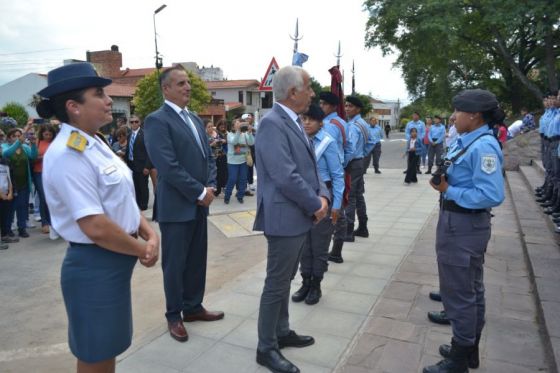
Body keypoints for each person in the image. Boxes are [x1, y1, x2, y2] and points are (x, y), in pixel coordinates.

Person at [37, 62, 159, 373]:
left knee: (109, 346)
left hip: (112, 262)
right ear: (73, 107)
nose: (108, 101)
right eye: (99, 94)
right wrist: (141, 248)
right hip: (95, 266)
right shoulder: (67, 153)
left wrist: (148, 231)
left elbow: (120, 200)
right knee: (96, 354)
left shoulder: (94, 141)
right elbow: (94, 225)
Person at [253, 66, 329, 373]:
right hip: (285, 217)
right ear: (292, 92)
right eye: (309, 87)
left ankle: (281, 332)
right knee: (276, 283)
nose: (312, 93)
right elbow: (285, 175)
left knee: (285, 279)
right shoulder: (272, 124)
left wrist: (323, 195)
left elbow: (310, 166)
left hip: (300, 213)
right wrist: (316, 204)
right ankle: (265, 347)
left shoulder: (294, 120)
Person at [423, 89, 505, 373]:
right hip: (459, 223)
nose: (453, 116)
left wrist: (450, 190)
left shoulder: (483, 146)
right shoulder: (469, 140)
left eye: (458, 111)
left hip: (464, 226)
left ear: (475, 115)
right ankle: (468, 348)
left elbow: (492, 194)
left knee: (459, 291)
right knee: (470, 288)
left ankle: (459, 357)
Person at [143, 66, 223, 344]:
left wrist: (210, 186)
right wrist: (198, 191)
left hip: (200, 203)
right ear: (166, 89)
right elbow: (167, 165)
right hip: (177, 206)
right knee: (175, 264)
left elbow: (208, 157)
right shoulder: (157, 121)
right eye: (180, 83)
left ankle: (193, 306)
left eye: (188, 82)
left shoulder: (194, 119)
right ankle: (174, 314)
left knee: (196, 259)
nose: (187, 87)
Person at [292, 104, 344, 306]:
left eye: (310, 120)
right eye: (303, 119)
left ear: (320, 123)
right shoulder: (299, 141)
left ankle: (316, 285)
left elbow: (338, 176)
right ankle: (305, 281)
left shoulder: (328, 143)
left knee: (320, 245)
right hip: (304, 197)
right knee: (304, 244)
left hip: (323, 197)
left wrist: (337, 205)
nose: (306, 123)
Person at [318, 92, 353, 264]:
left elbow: (325, 149)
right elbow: (350, 148)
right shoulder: (342, 122)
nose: (321, 106)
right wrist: (342, 163)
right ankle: (336, 250)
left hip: (328, 173)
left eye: (324, 104)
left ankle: (333, 252)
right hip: (338, 169)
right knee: (338, 211)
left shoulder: (328, 125)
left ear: (332, 106)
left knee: (333, 213)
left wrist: (337, 166)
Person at [344, 96, 373, 241]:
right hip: (359, 162)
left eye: (350, 106)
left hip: (352, 163)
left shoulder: (354, 126)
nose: (347, 108)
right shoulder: (362, 123)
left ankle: (348, 231)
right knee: (358, 195)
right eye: (346, 105)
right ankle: (363, 227)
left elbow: (350, 149)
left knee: (350, 197)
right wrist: (362, 154)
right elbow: (371, 142)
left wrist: (343, 163)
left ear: (358, 109)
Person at [2, 126, 38, 238]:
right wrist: (19, 141)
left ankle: (22, 228)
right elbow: (7, 154)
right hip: (11, 184)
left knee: (23, 206)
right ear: (9, 138)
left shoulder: (24, 147)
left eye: (19, 136)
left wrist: (33, 145)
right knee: (10, 207)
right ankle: (8, 229)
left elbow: (33, 156)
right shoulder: (4, 146)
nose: (17, 138)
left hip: (24, 182)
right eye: (14, 136)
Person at [33, 123, 57, 234]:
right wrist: (45, 157)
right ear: (42, 134)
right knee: (43, 197)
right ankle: (45, 222)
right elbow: (33, 158)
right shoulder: (38, 142)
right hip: (39, 172)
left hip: (52, 173)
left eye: (50, 134)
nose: (48, 136)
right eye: (46, 134)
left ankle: (54, 222)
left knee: (52, 197)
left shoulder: (55, 143)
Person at [224, 118, 254, 204]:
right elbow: (234, 142)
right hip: (232, 162)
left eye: (240, 123)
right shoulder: (229, 134)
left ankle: (240, 196)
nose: (240, 124)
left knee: (243, 179)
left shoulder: (244, 134)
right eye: (238, 123)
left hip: (243, 161)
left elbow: (251, 143)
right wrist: (238, 131)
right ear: (233, 126)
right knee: (232, 179)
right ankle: (227, 196)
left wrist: (249, 133)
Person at [126, 115, 152, 211]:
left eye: (136, 121)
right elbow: (129, 150)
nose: (134, 124)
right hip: (132, 165)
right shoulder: (129, 135)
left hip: (142, 166)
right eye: (132, 122)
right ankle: (137, 204)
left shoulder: (145, 134)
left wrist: (147, 166)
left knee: (143, 186)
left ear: (139, 122)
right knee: (135, 186)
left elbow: (150, 151)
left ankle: (144, 205)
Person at [0, 153, 14, 248]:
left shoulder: (5, 162)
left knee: (5, 216)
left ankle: (4, 235)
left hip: (6, 193)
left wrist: (10, 192)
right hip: (1, 194)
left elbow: (9, 178)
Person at [214, 119, 228, 196]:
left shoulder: (226, 133)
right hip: (217, 156)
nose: (223, 126)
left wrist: (225, 140)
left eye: (224, 125)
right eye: (221, 124)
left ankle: (222, 187)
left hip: (224, 155)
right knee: (217, 173)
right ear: (218, 125)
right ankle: (217, 189)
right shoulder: (216, 133)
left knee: (224, 173)